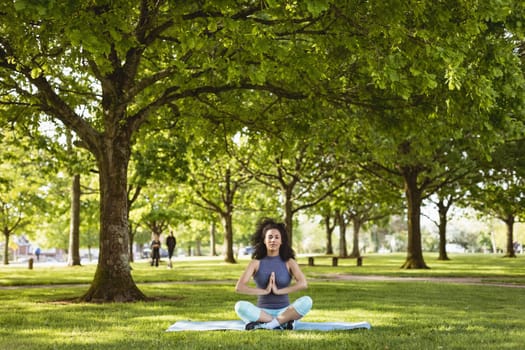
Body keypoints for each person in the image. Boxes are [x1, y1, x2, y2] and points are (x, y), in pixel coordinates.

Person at [234, 218, 312, 330]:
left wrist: (278, 291)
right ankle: (282, 323)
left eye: (276, 237)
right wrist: (265, 291)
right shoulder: (255, 263)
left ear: (281, 241)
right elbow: (239, 287)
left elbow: (303, 284)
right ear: (264, 240)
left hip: (285, 311)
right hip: (262, 312)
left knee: (307, 301)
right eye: (269, 237)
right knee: (239, 306)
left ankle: (268, 325)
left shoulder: (289, 262)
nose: (273, 240)